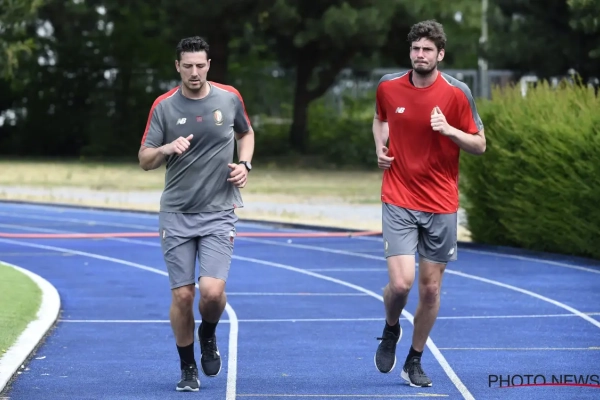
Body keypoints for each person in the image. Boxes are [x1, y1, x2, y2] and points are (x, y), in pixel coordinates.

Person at [372, 20, 486, 387]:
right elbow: (379, 119)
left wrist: (449, 130)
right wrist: (380, 148)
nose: (420, 55)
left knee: (431, 289)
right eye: (416, 49)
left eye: (427, 50)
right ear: (410, 52)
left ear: (440, 55)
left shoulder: (457, 92)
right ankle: (391, 327)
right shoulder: (388, 86)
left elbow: (480, 144)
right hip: (399, 196)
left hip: (441, 202)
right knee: (401, 285)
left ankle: (414, 360)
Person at [138, 36, 255, 392]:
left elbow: (246, 134)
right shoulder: (164, 106)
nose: (194, 72)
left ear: (209, 65)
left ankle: (208, 332)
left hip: (219, 211)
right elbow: (144, 159)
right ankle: (187, 366)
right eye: (187, 66)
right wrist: (166, 148)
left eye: (200, 65)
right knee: (183, 296)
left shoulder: (229, 97)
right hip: (176, 213)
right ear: (177, 66)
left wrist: (245, 164)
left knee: (212, 293)